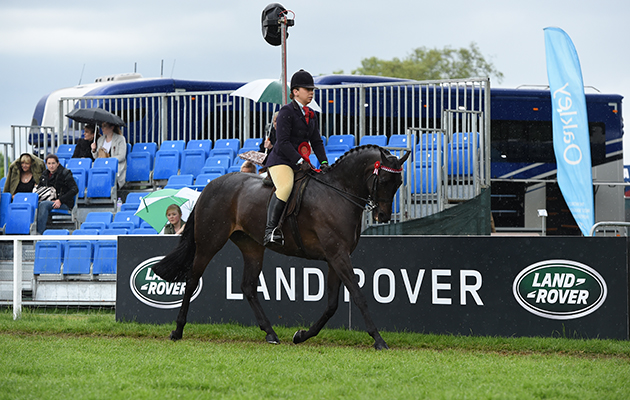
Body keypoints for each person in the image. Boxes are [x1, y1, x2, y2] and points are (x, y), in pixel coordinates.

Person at [263, 69, 330, 246]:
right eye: (307, 89)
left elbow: (316, 141)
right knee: (285, 187)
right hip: (281, 160)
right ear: (295, 92)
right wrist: (300, 161)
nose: (311, 92)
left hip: (301, 162)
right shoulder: (286, 112)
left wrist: (324, 162)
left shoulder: (311, 114)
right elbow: (283, 142)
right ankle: (270, 231)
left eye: (312, 89)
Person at [35, 154, 79, 234]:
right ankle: (26, 231)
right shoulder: (45, 174)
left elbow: (74, 189)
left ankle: (39, 234)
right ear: (46, 164)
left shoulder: (65, 173)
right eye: (49, 163)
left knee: (43, 205)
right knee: (34, 204)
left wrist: (60, 200)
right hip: (48, 200)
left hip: (64, 203)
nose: (51, 166)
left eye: (53, 163)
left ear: (58, 163)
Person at [91, 121, 127, 189]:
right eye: (102, 126)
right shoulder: (100, 140)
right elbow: (97, 158)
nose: (102, 128)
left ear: (112, 127)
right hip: (102, 166)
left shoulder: (120, 139)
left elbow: (121, 156)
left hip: (116, 166)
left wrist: (108, 160)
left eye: (104, 126)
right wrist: (94, 150)